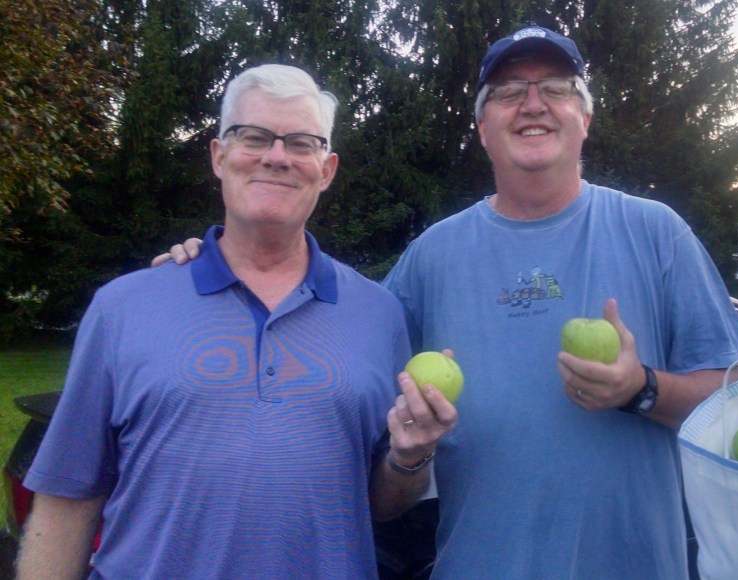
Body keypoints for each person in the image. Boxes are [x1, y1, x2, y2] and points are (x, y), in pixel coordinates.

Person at [155, 26, 738, 578]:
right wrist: (225, 263)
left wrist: (642, 389)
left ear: (584, 117)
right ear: (482, 128)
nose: (532, 103)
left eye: (555, 88)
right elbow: (328, 337)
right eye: (508, 92)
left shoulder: (655, 233)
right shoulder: (433, 256)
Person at [17, 64, 455, 579]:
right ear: (219, 156)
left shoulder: (378, 315)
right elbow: (67, 496)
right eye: (254, 137)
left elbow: (382, 503)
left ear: (326, 169)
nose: (276, 156)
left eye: (301, 143)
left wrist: (411, 456)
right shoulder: (123, 307)